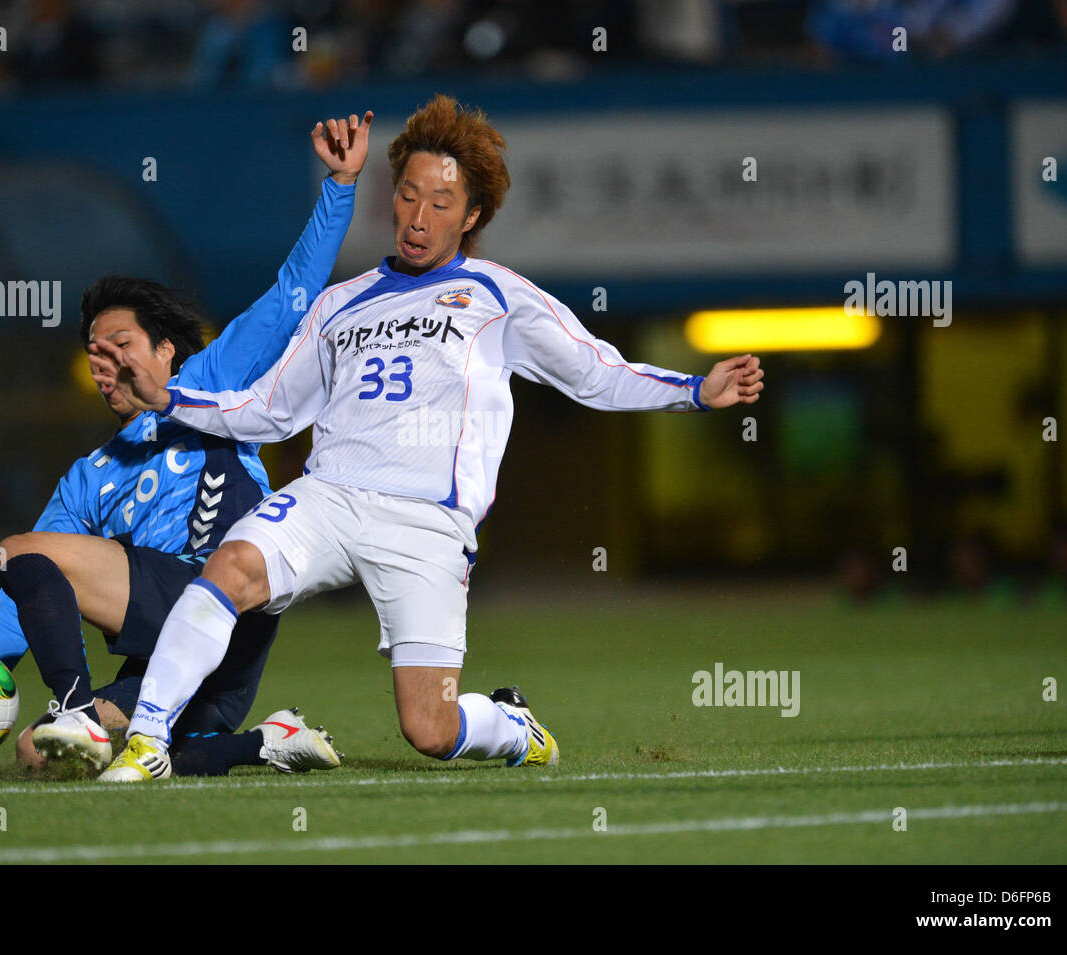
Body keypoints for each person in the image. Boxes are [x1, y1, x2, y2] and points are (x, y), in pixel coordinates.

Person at [90, 95, 764, 782]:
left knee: (430, 728)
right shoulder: (338, 304)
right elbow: (269, 412)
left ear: (472, 216)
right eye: (408, 195)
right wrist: (172, 398)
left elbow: (594, 372)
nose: (418, 216)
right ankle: (148, 742)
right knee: (229, 567)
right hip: (330, 495)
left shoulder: (498, 297)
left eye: (441, 203)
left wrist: (693, 393)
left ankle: (512, 725)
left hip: (426, 521)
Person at [0, 112, 374, 777]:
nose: (104, 363)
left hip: (224, 596)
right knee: (36, 754)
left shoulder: (210, 382)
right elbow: (27, 587)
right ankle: (265, 742)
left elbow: (291, 294)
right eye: (94, 354)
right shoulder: (90, 476)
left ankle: (74, 703)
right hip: (191, 669)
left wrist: (340, 183)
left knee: (21, 548)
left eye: (119, 346)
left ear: (165, 349)